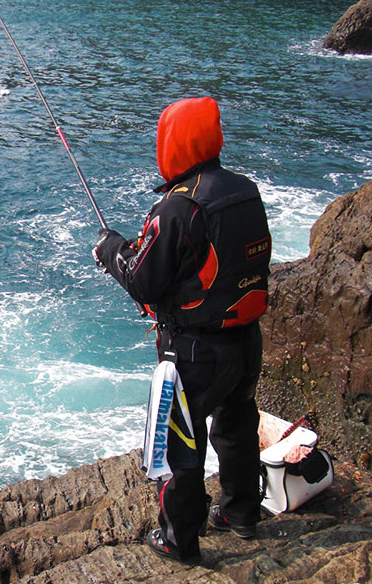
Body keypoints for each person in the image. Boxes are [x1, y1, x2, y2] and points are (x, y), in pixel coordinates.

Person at [93, 96, 272, 565]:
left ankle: (179, 540)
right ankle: (241, 514)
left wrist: (111, 249)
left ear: (172, 143)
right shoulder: (245, 190)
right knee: (236, 426)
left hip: (196, 352)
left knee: (179, 444)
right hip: (246, 340)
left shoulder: (176, 208)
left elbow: (143, 279)